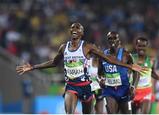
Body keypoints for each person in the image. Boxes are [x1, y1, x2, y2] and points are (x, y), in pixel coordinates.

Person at [16, 23, 144, 114]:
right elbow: (54, 62)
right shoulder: (63, 47)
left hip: (86, 87)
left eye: (78, 28)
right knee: (69, 112)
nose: (74, 29)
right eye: (72, 27)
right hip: (71, 86)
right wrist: (33, 67)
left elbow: (108, 59)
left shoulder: (87, 47)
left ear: (82, 33)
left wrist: (129, 66)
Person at [98, 31, 139, 114]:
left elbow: (136, 72)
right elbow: (99, 73)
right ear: (107, 41)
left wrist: (133, 87)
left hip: (124, 89)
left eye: (114, 38)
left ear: (119, 40)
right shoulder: (102, 55)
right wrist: (101, 79)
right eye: (110, 38)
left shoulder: (126, 55)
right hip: (109, 90)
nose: (112, 40)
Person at [131, 34, 159, 114]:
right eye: (139, 46)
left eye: (144, 46)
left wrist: (158, 77)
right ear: (136, 46)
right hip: (133, 91)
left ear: (147, 47)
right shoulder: (131, 58)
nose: (141, 48)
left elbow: (152, 72)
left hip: (146, 92)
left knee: (145, 113)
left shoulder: (152, 60)